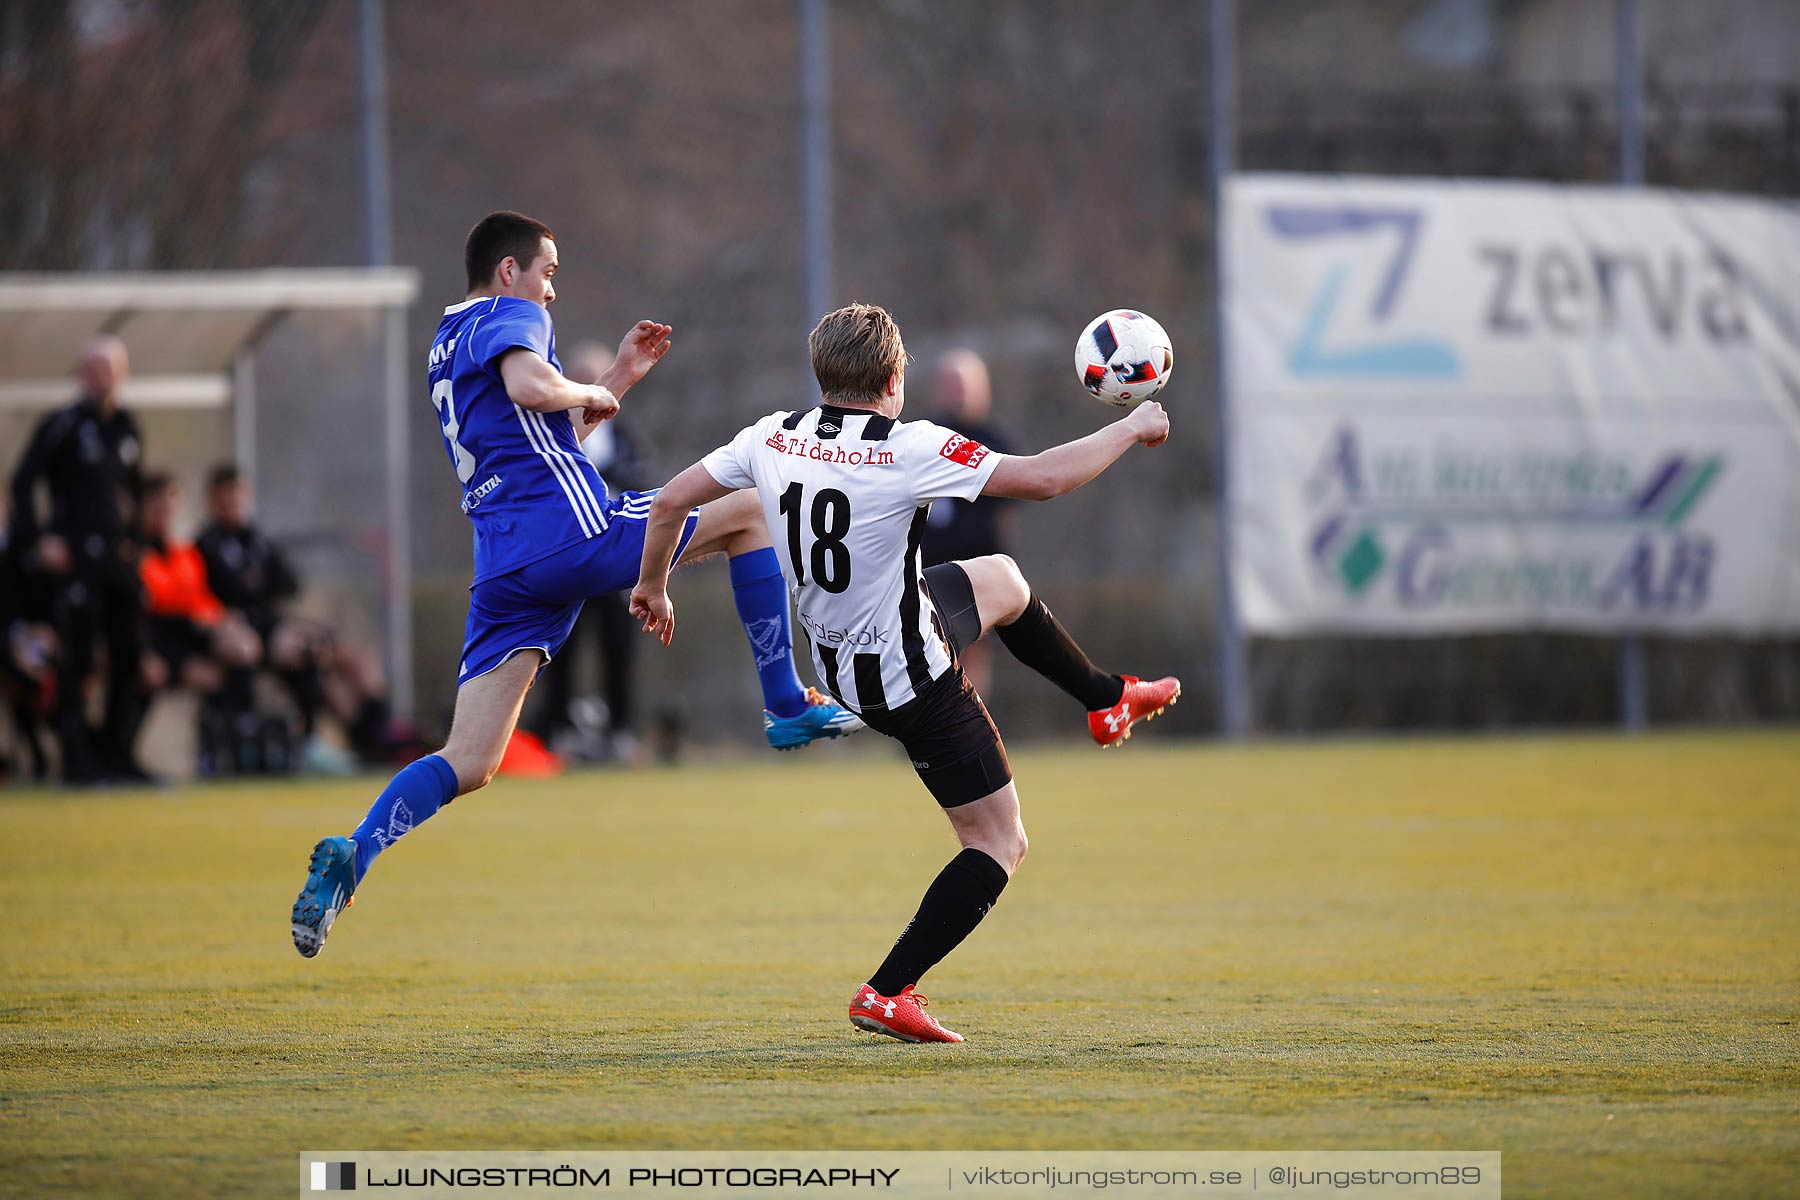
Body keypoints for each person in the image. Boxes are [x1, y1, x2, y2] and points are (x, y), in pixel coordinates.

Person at [289, 211, 860, 958]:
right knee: (751, 511)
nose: (551, 291)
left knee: (472, 760)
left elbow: (541, 437)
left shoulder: (446, 339)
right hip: (568, 531)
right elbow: (533, 389)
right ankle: (786, 701)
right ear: (508, 271)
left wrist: (615, 381)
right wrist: (581, 385)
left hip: (506, 565)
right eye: (548, 271)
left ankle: (353, 854)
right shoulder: (509, 314)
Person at [631, 302, 1180, 1043]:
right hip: (910, 682)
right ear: (893, 379)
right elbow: (1045, 480)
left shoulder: (771, 436)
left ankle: (1107, 700)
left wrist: (652, 586)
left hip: (847, 652)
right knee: (998, 843)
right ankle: (887, 992)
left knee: (1003, 581)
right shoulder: (909, 446)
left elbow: (668, 500)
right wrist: (1133, 425)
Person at [7, 334, 153, 784]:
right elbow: (21, 483)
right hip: (75, 561)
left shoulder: (128, 426)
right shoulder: (62, 424)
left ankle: (119, 754)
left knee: (131, 657)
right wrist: (40, 540)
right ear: (80, 375)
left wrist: (133, 541)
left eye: (108, 368)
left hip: (117, 561)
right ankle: (77, 761)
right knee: (78, 661)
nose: (100, 378)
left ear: (122, 374)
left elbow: (134, 492)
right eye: (91, 368)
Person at [197, 463, 399, 768]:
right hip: (245, 631)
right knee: (305, 654)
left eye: (238, 496)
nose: (234, 504)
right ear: (214, 501)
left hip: (273, 624)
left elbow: (288, 582)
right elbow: (231, 593)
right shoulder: (207, 544)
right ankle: (313, 741)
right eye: (227, 498)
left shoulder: (256, 539)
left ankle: (376, 736)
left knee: (353, 657)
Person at [521, 341, 648, 764]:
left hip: (613, 554)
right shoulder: (552, 428)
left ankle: (621, 731)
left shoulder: (623, 433)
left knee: (619, 647)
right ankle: (557, 732)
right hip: (569, 552)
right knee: (561, 647)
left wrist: (609, 471)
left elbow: (642, 476)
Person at [137, 473, 264, 771]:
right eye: (157, 505)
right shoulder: (135, 553)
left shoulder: (185, 554)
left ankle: (233, 747)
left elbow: (199, 600)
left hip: (189, 636)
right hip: (157, 639)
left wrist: (220, 618)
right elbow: (156, 606)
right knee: (209, 671)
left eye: (169, 506)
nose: (164, 513)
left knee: (237, 654)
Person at [920, 349, 1015, 696]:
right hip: (928, 567)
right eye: (950, 385)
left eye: (964, 386)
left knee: (974, 651)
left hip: (977, 565)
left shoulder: (994, 441)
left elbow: (1005, 515)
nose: (957, 394)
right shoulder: (925, 437)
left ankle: (975, 728)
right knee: (930, 654)